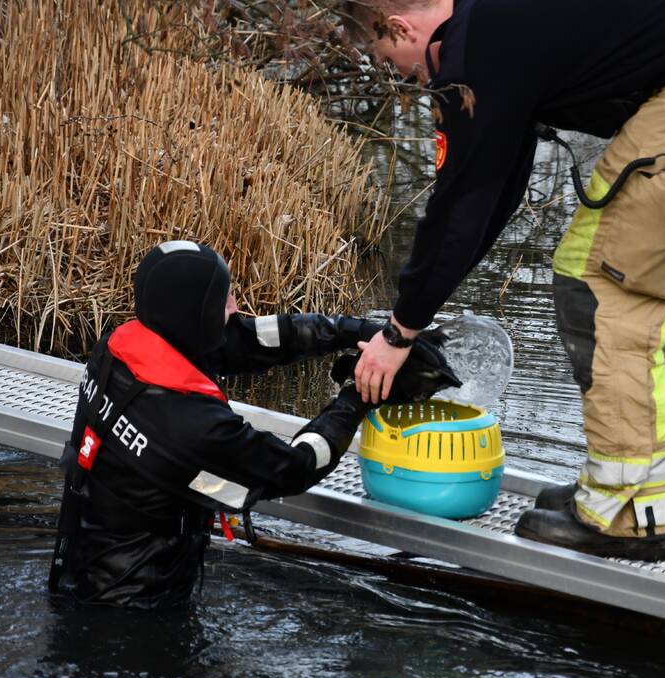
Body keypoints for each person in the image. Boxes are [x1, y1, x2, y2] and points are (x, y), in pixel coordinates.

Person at [345, 0, 665, 560]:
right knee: (645, 296)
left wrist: (399, 331)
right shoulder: (496, 23)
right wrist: (417, 312)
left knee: (606, 288)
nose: (408, 79)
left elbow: (458, 206)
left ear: (400, 26)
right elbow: (493, 191)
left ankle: (625, 513)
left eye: (391, 61)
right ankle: (653, 493)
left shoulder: (473, 50)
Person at [49, 240, 455, 608]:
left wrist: (366, 335)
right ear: (194, 314)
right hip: (138, 612)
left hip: (78, 575)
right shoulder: (194, 427)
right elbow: (296, 466)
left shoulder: (115, 352)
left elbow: (249, 339)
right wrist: (359, 396)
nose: (235, 306)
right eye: (224, 299)